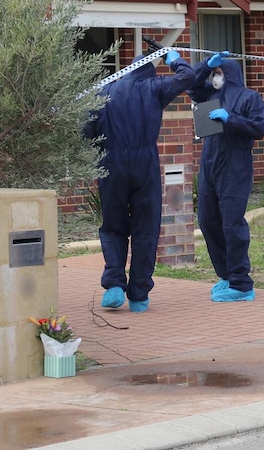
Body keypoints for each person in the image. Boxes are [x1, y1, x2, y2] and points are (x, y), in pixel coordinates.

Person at [83, 48, 195, 313]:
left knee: (113, 225)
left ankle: (113, 285)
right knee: (146, 228)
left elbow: (86, 130)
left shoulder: (105, 91)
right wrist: (175, 59)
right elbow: (187, 76)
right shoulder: (154, 87)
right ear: (150, 69)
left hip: (110, 163)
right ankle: (139, 294)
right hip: (144, 161)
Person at [189, 51, 264, 302]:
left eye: (220, 72)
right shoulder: (208, 95)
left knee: (232, 223)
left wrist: (230, 118)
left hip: (235, 166)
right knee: (207, 220)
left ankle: (242, 282)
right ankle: (226, 275)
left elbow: (259, 127)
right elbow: (191, 86)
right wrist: (205, 66)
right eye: (215, 73)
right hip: (210, 163)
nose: (216, 76)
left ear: (230, 73)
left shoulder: (249, 97)